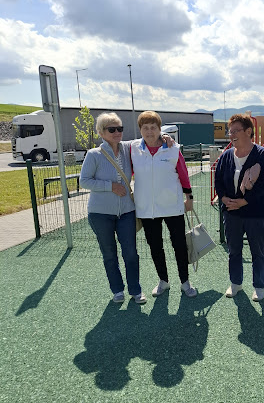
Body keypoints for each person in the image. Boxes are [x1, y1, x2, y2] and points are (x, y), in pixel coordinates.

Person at [80, 112, 146, 304]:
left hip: (126, 212)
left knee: (131, 253)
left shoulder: (128, 148)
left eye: (120, 128)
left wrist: (164, 136)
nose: (117, 132)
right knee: (109, 254)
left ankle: (135, 290)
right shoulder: (94, 154)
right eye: (112, 129)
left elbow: (147, 137)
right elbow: (84, 181)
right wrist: (110, 186)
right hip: (100, 214)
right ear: (101, 132)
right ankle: (117, 290)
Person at [131, 111, 197, 298]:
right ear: (140, 130)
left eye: (153, 127)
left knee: (179, 245)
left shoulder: (172, 148)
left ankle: (185, 282)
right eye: (145, 128)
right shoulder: (133, 148)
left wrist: (189, 197)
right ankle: (163, 281)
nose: (149, 132)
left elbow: (183, 174)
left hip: (172, 206)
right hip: (147, 208)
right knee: (155, 246)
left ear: (160, 129)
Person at [215, 113, 264, 301]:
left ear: (248, 131)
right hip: (231, 213)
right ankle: (236, 283)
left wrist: (244, 201)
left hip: (255, 213)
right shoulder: (226, 156)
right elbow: (218, 181)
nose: (231, 135)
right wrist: (224, 198)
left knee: (258, 251)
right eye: (229, 132)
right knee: (234, 250)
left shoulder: (261, 154)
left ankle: (259, 286)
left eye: (235, 131)